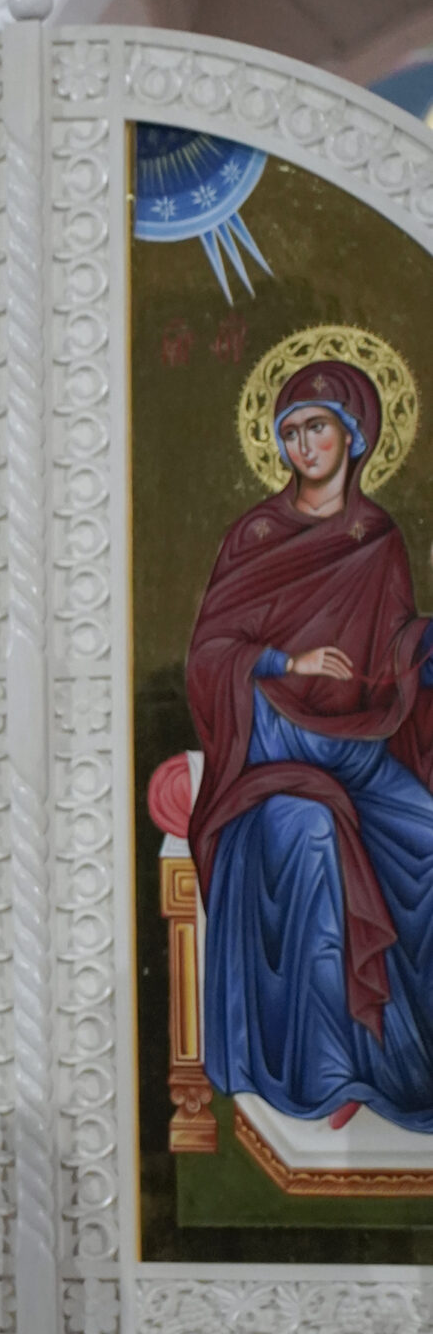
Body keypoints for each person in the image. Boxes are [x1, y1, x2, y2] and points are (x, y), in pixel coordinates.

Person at [187, 357, 433, 1132]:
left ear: (353, 434)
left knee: (427, 833)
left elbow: (392, 645)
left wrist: (420, 649)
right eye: (289, 431)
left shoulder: (376, 537)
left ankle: (403, 1058)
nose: (302, 445)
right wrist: (282, 663)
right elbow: (207, 653)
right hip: (271, 751)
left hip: (358, 749)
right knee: (313, 835)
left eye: (316, 427)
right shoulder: (255, 534)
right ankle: (328, 1067)